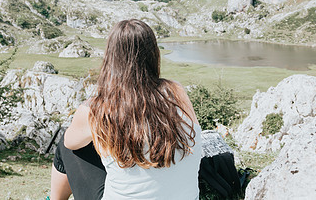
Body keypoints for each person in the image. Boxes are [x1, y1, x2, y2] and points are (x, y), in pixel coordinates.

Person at [50, 19, 202, 200]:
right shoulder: (176, 92)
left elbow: (71, 143)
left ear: (111, 58)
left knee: (67, 145)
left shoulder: (96, 109)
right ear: (153, 54)